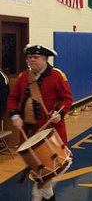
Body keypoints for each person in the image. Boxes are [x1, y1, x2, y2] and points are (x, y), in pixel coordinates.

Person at [7, 44, 73, 201]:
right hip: (30, 133)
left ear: (44, 59)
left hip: (50, 132)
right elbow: (13, 98)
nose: (31, 60)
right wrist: (15, 116)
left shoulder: (57, 76)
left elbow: (67, 98)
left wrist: (60, 113)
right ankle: (49, 197)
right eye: (29, 57)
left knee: (53, 169)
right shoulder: (24, 76)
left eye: (35, 57)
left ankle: (39, 197)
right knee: (39, 171)